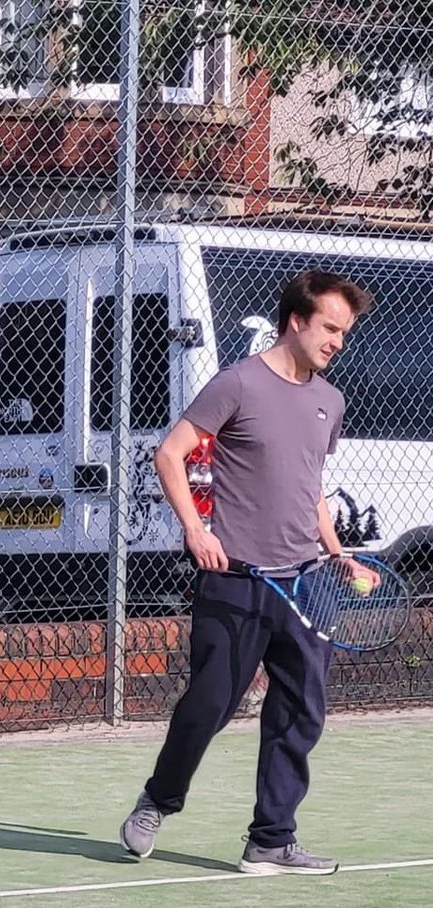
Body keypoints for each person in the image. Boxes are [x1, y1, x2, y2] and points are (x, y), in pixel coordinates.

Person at [119, 270, 378, 875]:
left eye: (345, 332)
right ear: (296, 321)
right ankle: (158, 799)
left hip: (306, 581)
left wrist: (335, 550)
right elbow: (170, 453)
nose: (338, 341)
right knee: (209, 703)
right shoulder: (237, 383)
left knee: (300, 709)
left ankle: (271, 838)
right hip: (236, 577)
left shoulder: (329, 401)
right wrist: (195, 529)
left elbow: (308, 486)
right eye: (330, 328)